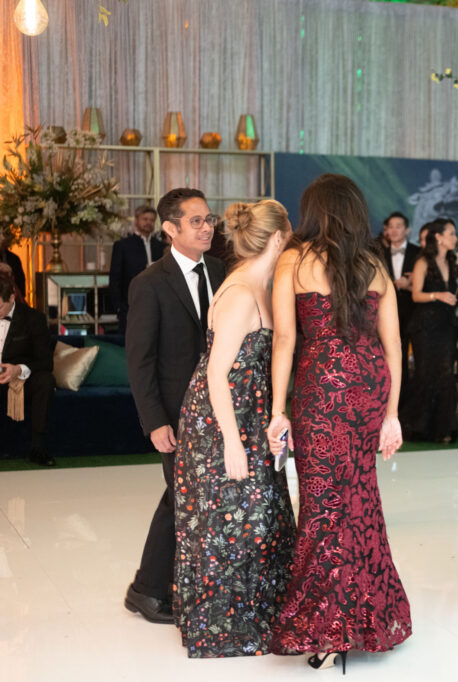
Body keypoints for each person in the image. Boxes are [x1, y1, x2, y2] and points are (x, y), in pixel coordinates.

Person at [268, 174, 411, 671]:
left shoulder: (295, 259)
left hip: (321, 389)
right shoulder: (374, 262)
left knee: (323, 503)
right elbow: (394, 348)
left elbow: (285, 339)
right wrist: (391, 414)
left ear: (314, 211)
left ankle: (329, 628)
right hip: (368, 389)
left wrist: (276, 410)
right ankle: (372, 617)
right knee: (359, 499)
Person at [173, 200, 296, 657]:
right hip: (220, 422)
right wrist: (231, 441)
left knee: (261, 518)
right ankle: (224, 628)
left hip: (250, 417)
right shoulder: (242, 292)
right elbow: (216, 373)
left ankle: (258, 618)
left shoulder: (261, 286)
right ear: (279, 239)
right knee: (229, 523)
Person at [124, 188, 227, 624]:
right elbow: (140, 359)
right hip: (175, 413)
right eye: (197, 221)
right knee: (179, 498)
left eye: (209, 219)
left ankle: (160, 585)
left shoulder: (223, 271)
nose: (208, 227)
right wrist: (154, 421)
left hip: (217, 409)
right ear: (171, 228)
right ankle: (147, 591)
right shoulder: (149, 283)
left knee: (186, 497)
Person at [401, 219, 458, 442]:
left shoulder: (451, 260)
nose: (455, 238)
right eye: (451, 234)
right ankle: (418, 426)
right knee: (426, 373)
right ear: (439, 237)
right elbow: (416, 294)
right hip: (426, 326)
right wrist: (437, 296)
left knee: (446, 374)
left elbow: (450, 294)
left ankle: (444, 427)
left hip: (446, 324)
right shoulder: (423, 261)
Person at [0, 270, 55, 466]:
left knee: (46, 381)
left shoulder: (34, 319)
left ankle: (38, 447)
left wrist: (17, 370)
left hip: (21, 379)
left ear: (12, 298)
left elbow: (46, 362)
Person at [381, 211, 420, 396]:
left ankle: (409, 400)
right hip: (384, 315)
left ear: (407, 230)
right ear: (386, 230)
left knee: (412, 359)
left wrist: (411, 284)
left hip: (413, 313)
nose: (394, 230)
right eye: (391, 226)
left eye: (398, 226)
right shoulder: (378, 252)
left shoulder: (418, 253)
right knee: (389, 357)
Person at [109, 205, 166, 334]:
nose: (148, 223)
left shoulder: (161, 247)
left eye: (152, 220)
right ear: (136, 220)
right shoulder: (123, 245)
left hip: (157, 305)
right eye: (144, 219)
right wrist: (118, 307)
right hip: (130, 305)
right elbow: (115, 277)